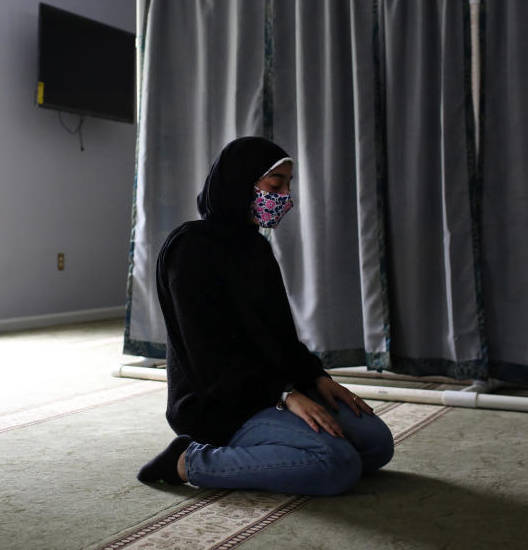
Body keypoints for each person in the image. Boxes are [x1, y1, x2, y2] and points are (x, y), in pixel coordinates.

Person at [137, 136, 394, 496]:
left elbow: (281, 337)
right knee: (337, 465)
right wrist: (283, 395)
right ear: (241, 182)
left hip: (272, 390)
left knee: (377, 445)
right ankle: (187, 461)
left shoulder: (255, 246)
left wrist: (317, 379)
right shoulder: (190, 248)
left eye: (288, 185)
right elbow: (209, 358)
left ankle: (279, 446)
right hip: (219, 403)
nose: (285, 196)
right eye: (276, 185)